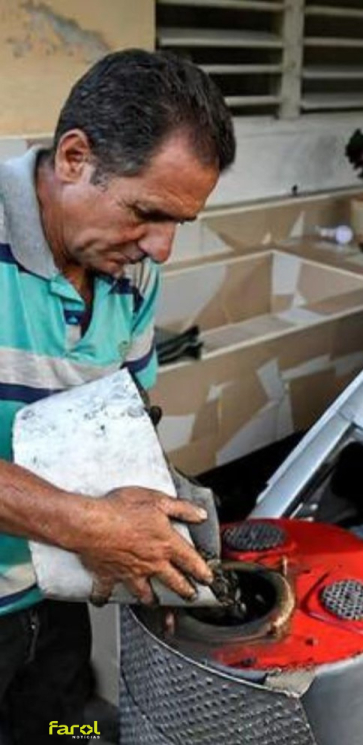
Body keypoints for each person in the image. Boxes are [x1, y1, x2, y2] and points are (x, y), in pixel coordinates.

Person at [0, 49, 235, 743]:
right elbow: (88, 519)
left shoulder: (129, 271)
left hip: (58, 604)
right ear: (74, 157)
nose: (161, 249)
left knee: (62, 734)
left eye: (178, 224)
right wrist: (88, 526)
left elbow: (121, 426)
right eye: (147, 212)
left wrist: (158, 551)